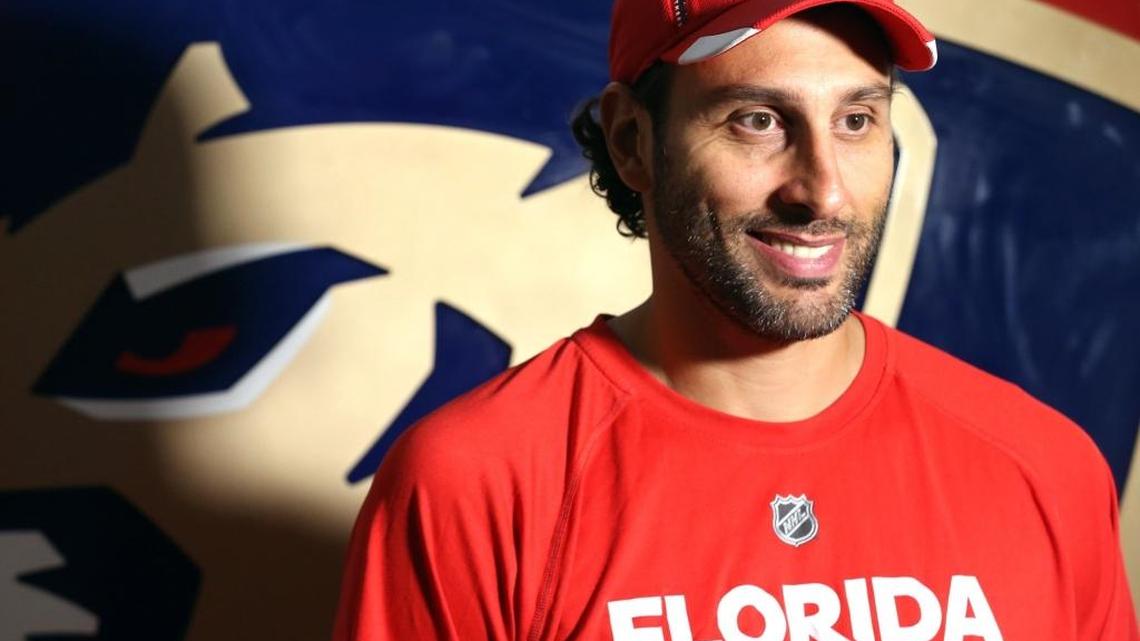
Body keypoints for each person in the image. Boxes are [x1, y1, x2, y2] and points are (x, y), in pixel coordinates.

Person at [332, 0, 1139, 638]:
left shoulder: (1043, 467)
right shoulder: (476, 485)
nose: (823, 191)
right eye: (759, 120)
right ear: (632, 139)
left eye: (857, 120)